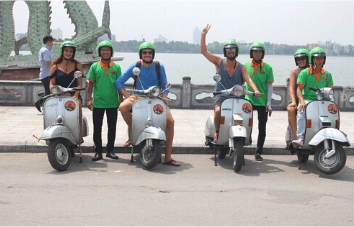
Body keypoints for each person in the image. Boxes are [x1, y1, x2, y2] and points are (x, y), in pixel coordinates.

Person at [115, 41, 180, 166]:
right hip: (139, 97)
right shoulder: (136, 66)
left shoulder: (158, 66)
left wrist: (164, 97)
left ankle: (167, 156)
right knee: (123, 107)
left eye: (150, 52)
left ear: (153, 54)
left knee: (170, 121)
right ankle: (134, 133)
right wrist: (128, 96)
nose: (147, 55)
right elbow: (119, 82)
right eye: (144, 52)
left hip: (156, 98)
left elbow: (166, 85)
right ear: (141, 54)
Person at [200, 24, 261, 142]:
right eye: (228, 50)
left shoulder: (241, 67)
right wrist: (203, 35)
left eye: (233, 50)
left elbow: (249, 79)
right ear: (225, 51)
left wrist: (256, 90)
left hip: (236, 97)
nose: (230, 52)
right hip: (221, 96)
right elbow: (204, 51)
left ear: (236, 51)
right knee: (218, 111)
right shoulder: (219, 62)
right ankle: (217, 132)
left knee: (247, 111)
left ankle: (247, 135)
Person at [87, 41, 122, 161]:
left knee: (112, 127)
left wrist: (120, 100)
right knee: (97, 127)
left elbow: (119, 85)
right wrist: (88, 100)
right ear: (99, 52)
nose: (105, 52)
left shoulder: (116, 67)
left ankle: (110, 150)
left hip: (112, 102)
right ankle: (98, 151)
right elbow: (90, 84)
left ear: (111, 52)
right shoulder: (94, 67)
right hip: (98, 102)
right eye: (103, 50)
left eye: (108, 50)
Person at [292, 47, 333, 147]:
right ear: (312, 59)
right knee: (301, 112)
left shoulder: (327, 74)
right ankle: (300, 137)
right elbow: (299, 90)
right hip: (307, 99)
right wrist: (301, 102)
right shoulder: (304, 73)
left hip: (322, 100)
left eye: (321, 58)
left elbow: (330, 91)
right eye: (317, 58)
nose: (319, 61)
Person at [244, 42, 274, 161]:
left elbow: (270, 87)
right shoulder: (245, 66)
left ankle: (258, 152)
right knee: (246, 123)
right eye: (255, 51)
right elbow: (241, 81)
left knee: (262, 128)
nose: (257, 54)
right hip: (249, 99)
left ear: (263, 53)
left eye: (259, 52)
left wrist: (269, 103)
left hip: (262, 102)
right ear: (251, 53)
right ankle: (246, 141)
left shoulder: (268, 68)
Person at [49, 41, 84, 142]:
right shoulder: (55, 66)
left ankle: (79, 134)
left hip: (73, 95)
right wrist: (54, 92)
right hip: (58, 95)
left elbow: (79, 84)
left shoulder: (78, 65)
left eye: (71, 51)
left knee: (78, 104)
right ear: (62, 51)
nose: (68, 53)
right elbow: (51, 83)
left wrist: (76, 96)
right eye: (66, 50)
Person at [287, 49, 310, 143]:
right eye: (298, 59)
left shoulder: (312, 71)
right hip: (297, 99)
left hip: (309, 98)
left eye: (303, 58)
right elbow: (291, 88)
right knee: (291, 109)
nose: (301, 61)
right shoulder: (295, 71)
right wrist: (293, 101)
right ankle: (297, 138)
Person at [35, 35, 54, 112]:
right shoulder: (45, 50)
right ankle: (38, 103)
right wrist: (56, 67)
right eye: (52, 42)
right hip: (46, 75)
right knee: (49, 93)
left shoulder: (42, 49)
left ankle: (43, 106)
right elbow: (48, 62)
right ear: (49, 42)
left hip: (44, 74)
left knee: (48, 92)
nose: (52, 44)